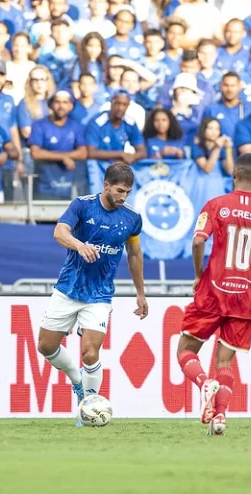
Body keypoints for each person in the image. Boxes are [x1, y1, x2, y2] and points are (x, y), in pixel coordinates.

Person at [176, 153, 251, 436]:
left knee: (186, 351)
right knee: (225, 362)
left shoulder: (216, 205)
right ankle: (220, 418)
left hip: (213, 290)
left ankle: (203, 383)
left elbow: (198, 240)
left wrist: (198, 274)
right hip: (246, 296)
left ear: (235, 173)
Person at [37, 162, 148, 426]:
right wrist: (79, 245)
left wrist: (140, 293)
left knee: (90, 352)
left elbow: (134, 254)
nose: (123, 197)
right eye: (119, 190)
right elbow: (59, 231)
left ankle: (88, 408)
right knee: (46, 346)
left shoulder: (132, 219)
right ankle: (77, 380)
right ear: (106, 185)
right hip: (68, 288)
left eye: (128, 192)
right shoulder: (82, 205)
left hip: (100, 294)